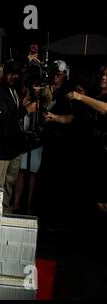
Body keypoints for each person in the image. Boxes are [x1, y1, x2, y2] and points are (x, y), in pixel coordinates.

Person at [66, 65, 107, 213]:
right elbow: (76, 118)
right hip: (90, 151)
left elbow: (105, 109)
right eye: (103, 74)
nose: (103, 77)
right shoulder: (96, 94)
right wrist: (55, 117)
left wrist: (81, 97)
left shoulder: (97, 99)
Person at [0, 60, 25, 213]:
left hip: (14, 146)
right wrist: (25, 111)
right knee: (0, 183)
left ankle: (6, 210)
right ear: (5, 74)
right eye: (10, 74)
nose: (13, 77)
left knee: (10, 182)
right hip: (3, 146)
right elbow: (1, 117)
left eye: (16, 74)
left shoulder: (15, 90)